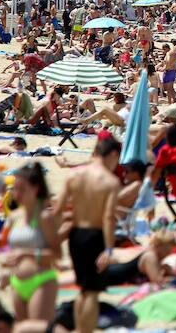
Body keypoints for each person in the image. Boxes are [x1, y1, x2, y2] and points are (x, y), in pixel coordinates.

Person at [55, 135, 122, 333]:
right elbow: (109, 217)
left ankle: (78, 329)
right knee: (92, 293)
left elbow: (57, 210)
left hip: (75, 236)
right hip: (95, 235)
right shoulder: (111, 182)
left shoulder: (73, 175)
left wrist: (52, 240)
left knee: (82, 289)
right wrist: (109, 248)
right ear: (112, 154)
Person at [0, 163, 60, 327]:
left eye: (21, 188)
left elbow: (57, 254)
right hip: (16, 281)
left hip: (41, 280)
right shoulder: (14, 217)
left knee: (35, 328)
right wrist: (7, 271)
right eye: (14, 188)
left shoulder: (44, 217)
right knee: (21, 328)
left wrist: (28, 254)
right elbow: (11, 250)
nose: (16, 193)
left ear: (35, 188)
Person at [105, 230, 176, 285]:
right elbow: (158, 281)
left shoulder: (148, 252)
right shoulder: (150, 256)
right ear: (158, 246)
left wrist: (164, 268)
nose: (168, 254)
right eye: (167, 251)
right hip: (106, 278)